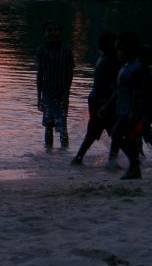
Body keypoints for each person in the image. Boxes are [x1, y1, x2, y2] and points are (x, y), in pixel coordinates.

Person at [71, 32, 119, 165]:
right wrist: (109, 104)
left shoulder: (103, 59)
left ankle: (79, 158)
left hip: (95, 99)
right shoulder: (113, 60)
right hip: (103, 101)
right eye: (116, 43)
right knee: (115, 132)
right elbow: (115, 85)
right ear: (111, 45)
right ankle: (113, 161)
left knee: (95, 131)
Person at [100, 31, 142, 179]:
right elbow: (118, 91)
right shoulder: (124, 68)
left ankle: (134, 163)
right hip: (122, 110)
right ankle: (132, 166)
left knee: (117, 134)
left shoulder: (136, 69)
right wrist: (108, 107)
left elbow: (139, 92)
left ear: (130, 50)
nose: (118, 53)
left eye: (120, 49)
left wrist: (134, 112)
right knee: (119, 136)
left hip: (130, 112)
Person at [36, 20, 75, 148]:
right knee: (48, 126)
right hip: (47, 93)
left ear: (60, 33)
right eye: (49, 30)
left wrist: (66, 94)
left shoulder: (66, 50)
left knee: (62, 127)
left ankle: (64, 153)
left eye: (55, 30)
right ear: (44, 34)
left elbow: (70, 73)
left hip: (61, 93)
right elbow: (40, 75)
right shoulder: (41, 51)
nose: (52, 33)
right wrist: (39, 97)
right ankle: (49, 154)